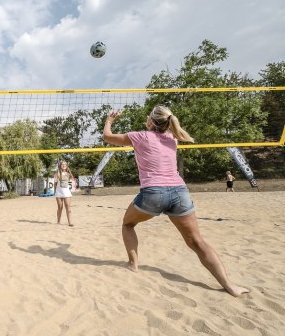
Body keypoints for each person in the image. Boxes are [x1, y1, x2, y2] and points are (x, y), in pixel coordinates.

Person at [103, 106, 249, 297]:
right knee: (197, 242)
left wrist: (109, 120)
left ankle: (133, 264)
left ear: (151, 122)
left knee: (128, 224)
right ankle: (230, 286)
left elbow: (107, 136)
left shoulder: (139, 136)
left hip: (154, 193)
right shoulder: (173, 139)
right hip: (180, 193)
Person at [54, 160, 74, 226]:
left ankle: (70, 222)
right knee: (60, 207)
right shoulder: (57, 173)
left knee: (68, 206)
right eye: (62, 164)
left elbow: (73, 181)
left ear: (67, 166)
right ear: (60, 165)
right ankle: (58, 221)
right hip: (59, 192)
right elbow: (55, 183)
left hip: (66, 192)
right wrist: (55, 192)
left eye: (65, 164)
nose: (64, 165)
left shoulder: (69, 174)